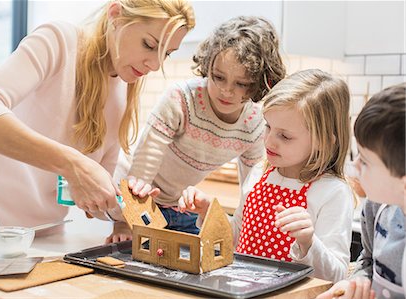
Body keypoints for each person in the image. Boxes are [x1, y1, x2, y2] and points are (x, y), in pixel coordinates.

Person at [0, 0, 195, 242]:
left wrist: (125, 207)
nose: (155, 65)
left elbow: (93, 202)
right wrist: (71, 164)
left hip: (42, 239)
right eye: (149, 45)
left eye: (166, 53)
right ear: (116, 15)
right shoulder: (59, 41)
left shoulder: (124, 91)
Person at [106, 16, 286, 242]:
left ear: (261, 81)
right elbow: (143, 167)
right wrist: (128, 219)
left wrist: (246, 235)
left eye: (242, 84)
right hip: (132, 191)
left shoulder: (255, 125)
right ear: (208, 63)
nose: (226, 91)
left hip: (177, 204)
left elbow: (252, 189)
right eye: (218, 77)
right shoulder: (182, 99)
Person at [179, 69, 354, 283]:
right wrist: (209, 212)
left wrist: (309, 242)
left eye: (285, 136)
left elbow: (336, 275)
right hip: (242, 289)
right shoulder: (259, 173)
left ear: (324, 141)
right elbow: (237, 238)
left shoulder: (331, 192)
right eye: (268, 127)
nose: (269, 141)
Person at [317, 83, 405, 299]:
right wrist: (354, 284)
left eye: (364, 161)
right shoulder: (377, 208)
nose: (355, 165)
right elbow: (368, 261)